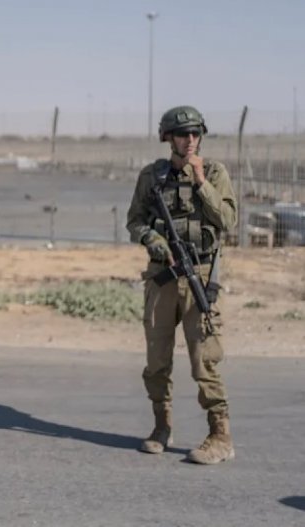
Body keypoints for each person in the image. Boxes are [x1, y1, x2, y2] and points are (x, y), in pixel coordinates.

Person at [126, 106, 238, 465]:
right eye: (181, 134)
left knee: (205, 359)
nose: (189, 140)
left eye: (194, 133)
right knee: (157, 359)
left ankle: (221, 436)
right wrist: (154, 240)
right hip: (162, 277)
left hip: (199, 276)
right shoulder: (151, 176)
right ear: (168, 138)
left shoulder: (215, 173)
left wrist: (201, 182)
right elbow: (134, 222)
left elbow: (228, 220)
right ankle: (162, 426)